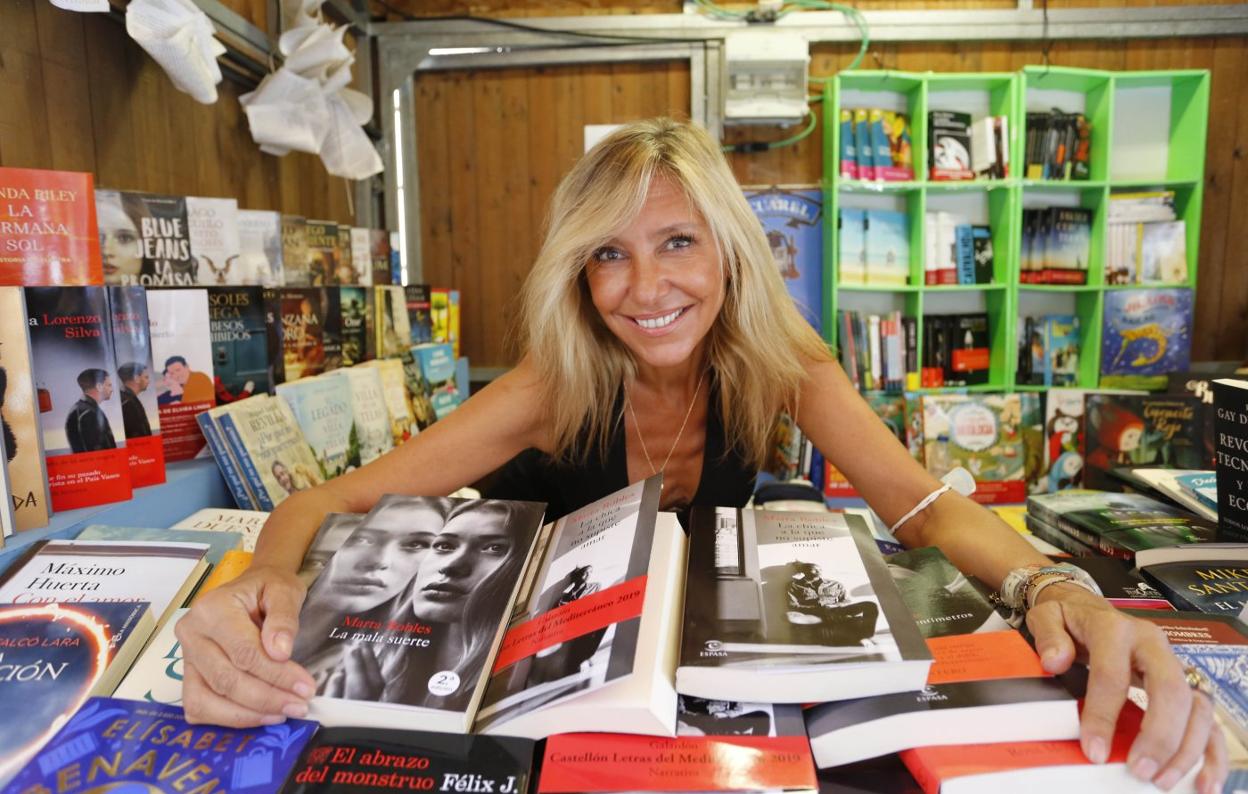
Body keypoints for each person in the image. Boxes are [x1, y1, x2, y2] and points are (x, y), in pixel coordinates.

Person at [177, 119, 1224, 793]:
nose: (646, 287)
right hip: (546, 684)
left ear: (729, 246)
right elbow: (329, 500)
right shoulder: (548, 384)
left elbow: (919, 502)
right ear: (578, 274)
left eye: (678, 241)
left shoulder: (782, 360)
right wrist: (266, 573)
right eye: (609, 254)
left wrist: (1058, 584)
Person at [65, 368, 117, 453]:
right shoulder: (88, 413)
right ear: (99, 387)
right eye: (109, 385)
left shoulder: (82, 409)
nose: (112, 389)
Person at [117, 362, 152, 438]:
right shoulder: (128, 403)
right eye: (146, 377)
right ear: (136, 379)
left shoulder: (126, 399)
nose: (149, 381)